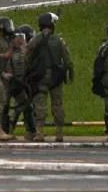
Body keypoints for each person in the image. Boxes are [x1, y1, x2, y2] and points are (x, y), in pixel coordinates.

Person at [26, 12, 74, 143]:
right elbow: (68, 60)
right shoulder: (59, 41)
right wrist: (70, 74)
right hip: (55, 78)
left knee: (40, 104)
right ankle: (59, 133)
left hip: (39, 77)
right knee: (57, 104)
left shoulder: (35, 39)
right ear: (52, 25)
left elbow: (27, 56)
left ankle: (40, 133)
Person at [4, 25, 37, 139]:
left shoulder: (22, 51)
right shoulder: (13, 52)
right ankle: (9, 130)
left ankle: (27, 131)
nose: (22, 40)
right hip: (11, 84)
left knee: (25, 106)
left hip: (19, 83)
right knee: (9, 107)